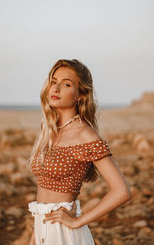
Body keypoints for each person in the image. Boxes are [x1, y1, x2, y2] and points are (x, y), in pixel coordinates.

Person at [27, 59, 131, 245]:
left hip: (64, 233)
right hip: (42, 229)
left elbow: (121, 191)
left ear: (81, 94)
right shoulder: (49, 130)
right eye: (53, 81)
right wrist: (36, 234)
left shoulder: (85, 134)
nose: (56, 88)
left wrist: (77, 221)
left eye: (66, 84)